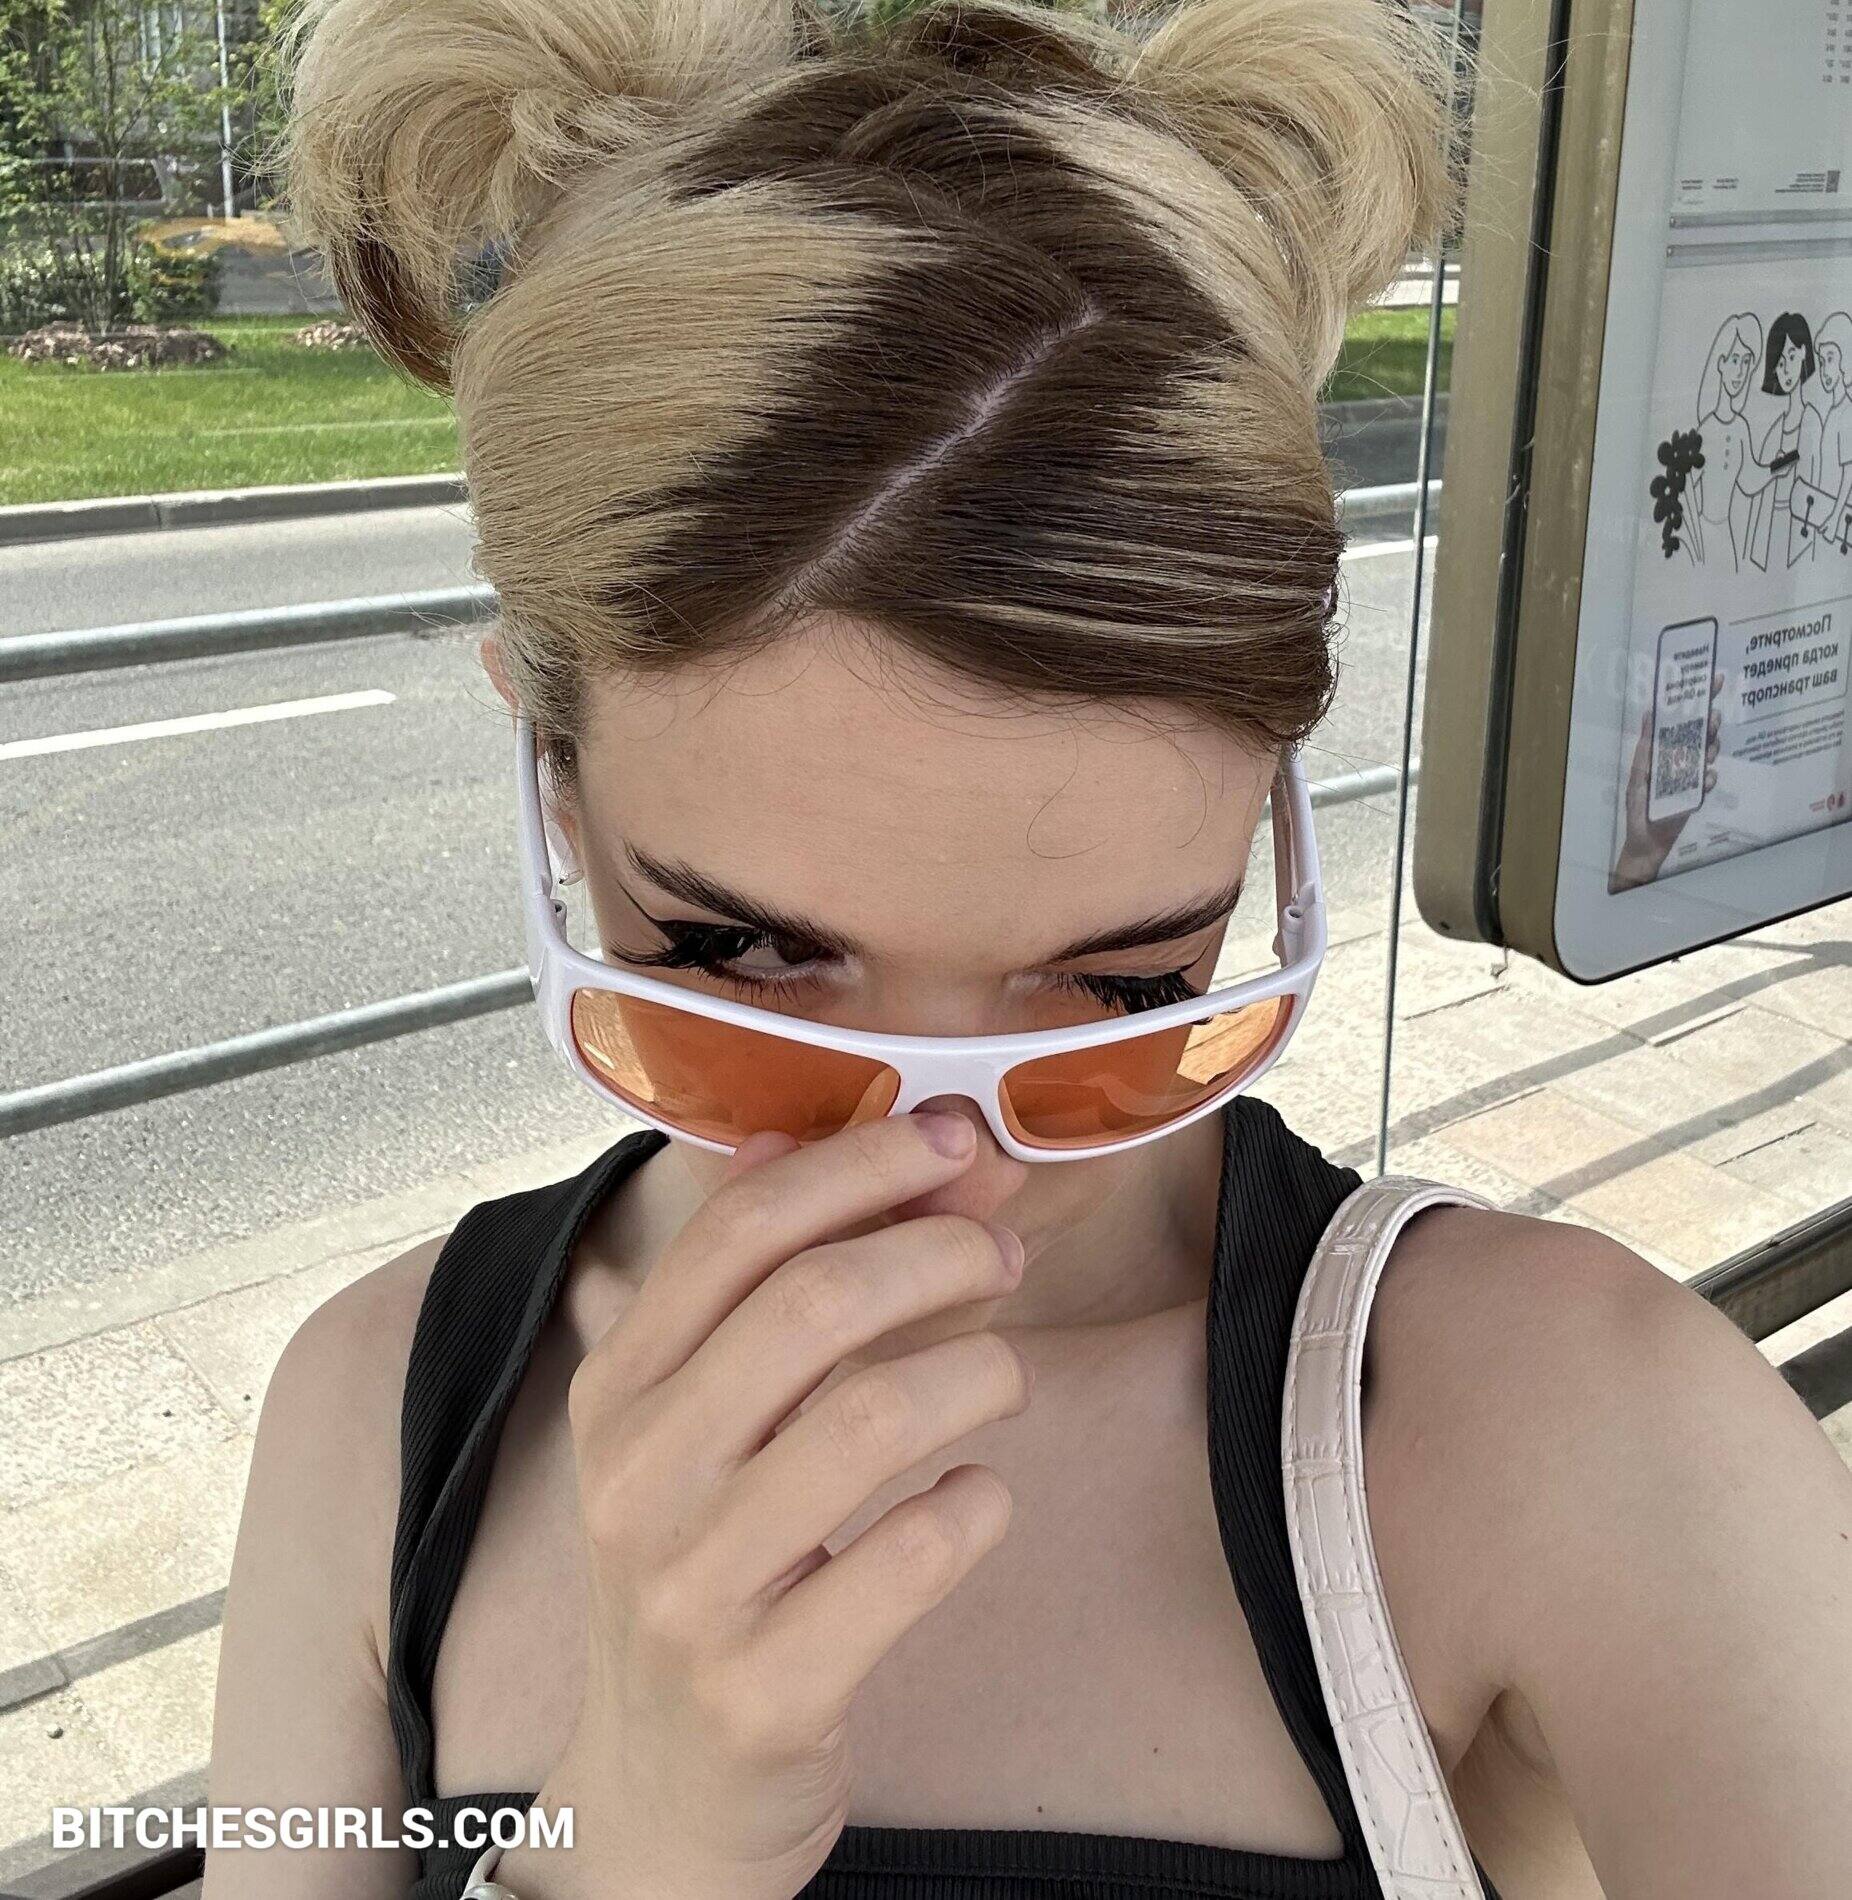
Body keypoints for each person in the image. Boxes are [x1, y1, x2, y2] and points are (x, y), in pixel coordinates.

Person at [204, 1, 1852, 1896]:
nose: (951, 1168)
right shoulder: (375, 1423)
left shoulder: (1583, 1435)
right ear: (551, 787)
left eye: (1129, 995)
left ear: (1266, 831)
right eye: (743, 958)